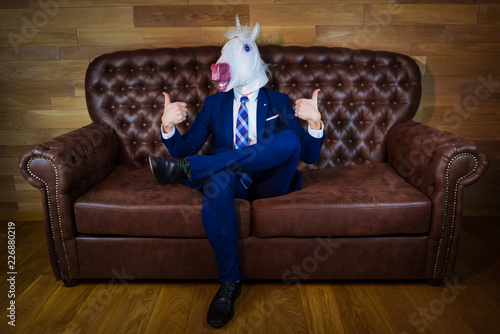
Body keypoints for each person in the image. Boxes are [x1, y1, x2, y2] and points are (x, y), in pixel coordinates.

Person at [148, 18, 324, 328]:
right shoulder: (214, 104)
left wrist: (315, 123)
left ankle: (195, 170)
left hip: (270, 181)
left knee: (286, 139)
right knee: (217, 181)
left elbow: (308, 155)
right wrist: (167, 126)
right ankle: (229, 284)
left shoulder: (279, 101)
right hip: (228, 182)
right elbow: (184, 149)